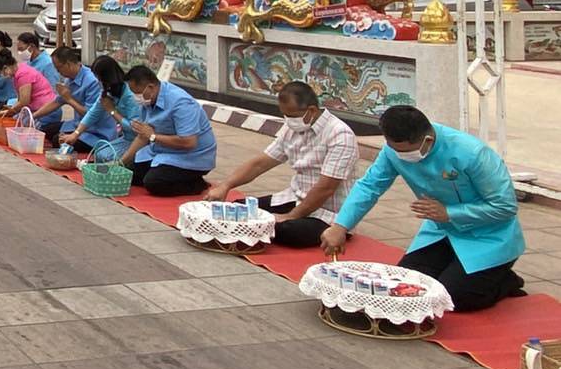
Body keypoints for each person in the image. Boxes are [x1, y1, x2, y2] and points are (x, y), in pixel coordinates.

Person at [321, 105, 527, 311]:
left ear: (427, 140)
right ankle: (471, 273)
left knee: (454, 298)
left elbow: (505, 206)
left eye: (405, 151)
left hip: (488, 236)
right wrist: (341, 225)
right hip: (441, 232)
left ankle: (504, 280)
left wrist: (449, 213)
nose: (399, 156)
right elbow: (369, 186)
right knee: (406, 287)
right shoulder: (393, 152)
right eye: (393, 148)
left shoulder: (472, 153)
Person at [203, 81, 358, 248]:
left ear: (312, 110)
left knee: (286, 230)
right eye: (285, 115)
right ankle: (266, 225)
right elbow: (260, 164)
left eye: (291, 116)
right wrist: (226, 186)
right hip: (295, 198)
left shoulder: (340, 135)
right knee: (239, 210)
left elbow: (326, 188)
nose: (288, 121)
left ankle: (277, 225)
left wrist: (292, 216)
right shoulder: (291, 129)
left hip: (329, 212)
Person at [118, 65, 218, 196]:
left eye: (137, 93)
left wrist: (153, 136)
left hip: (192, 156)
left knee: (154, 183)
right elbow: (143, 136)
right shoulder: (147, 102)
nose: (135, 97)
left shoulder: (181, 103)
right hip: (163, 152)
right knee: (129, 174)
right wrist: (121, 163)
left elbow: (189, 142)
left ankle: (197, 183)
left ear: (151, 87)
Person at [59, 55, 141, 161]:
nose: (98, 81)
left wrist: (112, 111)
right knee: (100, 154)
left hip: (136, 140)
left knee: (108, 158)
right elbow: (93, 113)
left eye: (99, 78)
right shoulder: (107, 92)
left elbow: (135, 128)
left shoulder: (129, 95)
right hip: (124, 137)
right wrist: (76, 134)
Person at [0, 50, 59, 130]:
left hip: (46, 112)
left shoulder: (23, 74)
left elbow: (24, 101)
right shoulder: (18, 72)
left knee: (19, 128)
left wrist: (9, 112)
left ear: (5, 68)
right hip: (35, 110)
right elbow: (20, 100)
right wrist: (9, 111)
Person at [42, 46, 97, 143]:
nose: (58, 72)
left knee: (57, 140)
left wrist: (69, 99)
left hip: (93, 129)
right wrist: (33, 116)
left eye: (59, 69)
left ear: (68, 64)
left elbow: (90, 114)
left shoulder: (92, 81)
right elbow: (57, 102)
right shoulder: (70, 79)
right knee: (46, 130)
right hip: (77, 123)